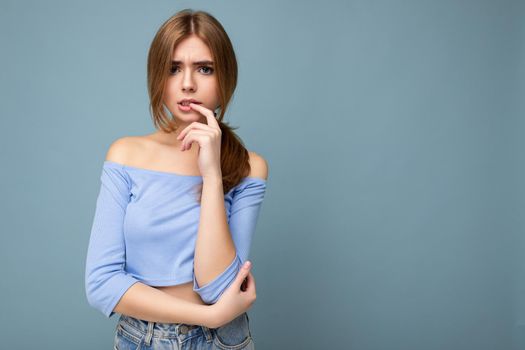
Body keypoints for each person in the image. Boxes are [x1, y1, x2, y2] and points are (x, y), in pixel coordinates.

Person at [84, 8, 268, 349]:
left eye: (204, 68)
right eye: (174, 68)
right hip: (144, 339)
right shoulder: (125, 155)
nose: (187, 83)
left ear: (224, 75)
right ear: (158, 76)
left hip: (223, 342)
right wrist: (208, 317)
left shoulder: (248, 166)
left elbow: (218, 288)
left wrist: (211, 175)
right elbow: (102, 284)